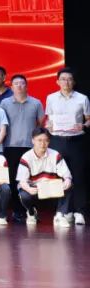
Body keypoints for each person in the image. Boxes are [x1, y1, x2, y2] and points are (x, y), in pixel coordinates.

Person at [44, 68, 88, 225]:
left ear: (73, 82)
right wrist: (49, 126)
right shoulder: (51, 98)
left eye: (69, 79)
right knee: (60, 176)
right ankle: (63, 211)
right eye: (63, 79)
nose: (66, 82)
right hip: (57, 140)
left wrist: (83, 125)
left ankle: (79, 211)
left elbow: (88, 119)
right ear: (57, 81)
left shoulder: (82, 98)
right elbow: (49, 119)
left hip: (76, 141)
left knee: (78, 176)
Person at [0, 74, 45, 222]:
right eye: (16, 83)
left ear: (26, 86)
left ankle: (31, 209)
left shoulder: (36, 103)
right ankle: (17, 211)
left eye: (22, 83)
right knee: (13, 179)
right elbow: (1, 125)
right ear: (11, 87)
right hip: (10, 146)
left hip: (31, 148)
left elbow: (41, 125)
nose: (19, 86)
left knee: (32, 179)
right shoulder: (4, 103)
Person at [16, 127, 74, 227]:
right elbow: (22, 181)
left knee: (69, 184)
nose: (43, 144)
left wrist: (67, 181)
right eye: (39, 140)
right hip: (35, 190)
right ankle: (31, 213)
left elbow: (67, 175)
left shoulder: (55, 154)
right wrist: (29, 189)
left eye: (46, 140)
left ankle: (60, 215)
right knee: (24, 194)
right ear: (33, 141)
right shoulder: (26, 157)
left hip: (52, 189)